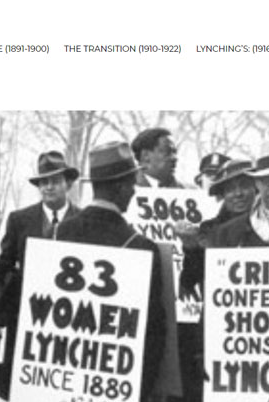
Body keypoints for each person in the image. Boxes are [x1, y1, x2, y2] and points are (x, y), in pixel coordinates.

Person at [56, 141, 167, 402]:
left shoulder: (60, 233)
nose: (133, 192)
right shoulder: (141, 247)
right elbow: (153, 335)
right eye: (131, 184)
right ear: (119, 186)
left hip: (65, 383)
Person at [0, 151, 82, 400]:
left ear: (67, 183)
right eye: (43, 182)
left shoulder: (83, 220)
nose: (48, 187)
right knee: (21, 381)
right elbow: (3, 263)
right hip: (26, 314)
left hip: (69, 316)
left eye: (55, 181)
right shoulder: (20, 220)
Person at [176, 158, 257, 402]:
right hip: (218, 332)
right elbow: (189, 285)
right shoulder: (208, 230)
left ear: (256, 188)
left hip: (262, 331)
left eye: (244, 185)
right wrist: (191, 250)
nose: (238, 193)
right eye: (230, 188)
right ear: (222, 194)